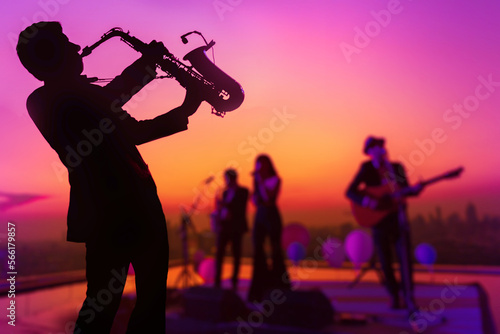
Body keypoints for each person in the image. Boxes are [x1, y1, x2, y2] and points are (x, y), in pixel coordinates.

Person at [17, 22, 203, 333]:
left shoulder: (76, 96)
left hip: (130, 208)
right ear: (52, 57)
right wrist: (151, 70)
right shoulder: (45, 100)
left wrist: (181, 103)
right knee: (104, 307)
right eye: (67, 43)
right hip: (115, 214)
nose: (77, 47)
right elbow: (110, 106)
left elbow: (128, 126)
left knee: (140, 301)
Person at [346, 136, 423, 314]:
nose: (378, 150)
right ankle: (393, 295)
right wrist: (368, 202)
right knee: (385, 259)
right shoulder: (366, 169)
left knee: (404, 258)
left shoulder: (396, 168)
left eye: (380, 146)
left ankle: (409, 296)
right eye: (374, 148)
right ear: (369, 153)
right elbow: (350, 191)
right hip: (378, 220)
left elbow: (405, 190)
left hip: (397, 217)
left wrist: (415, 191)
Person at [248, 154, 290, 302]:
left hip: (271, 214)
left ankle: (279, 285)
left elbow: (269, 198)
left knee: (275, 249)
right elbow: (255, 200)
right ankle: (259, 288)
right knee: (258, 249)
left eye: (262, 164)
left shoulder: (275, 180)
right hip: (260, 215)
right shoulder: (257, 181)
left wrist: (260, 182)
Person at [212, 168, 249, 290]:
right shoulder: (225, 193)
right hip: (224, 226)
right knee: (219, 254)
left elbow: (240, 208)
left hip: (236, 227)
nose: (225, 181)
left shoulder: (243, 191)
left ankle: (234, 282)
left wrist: (224, 205)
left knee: (236, 254)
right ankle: (217, 282)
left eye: (226, 178)